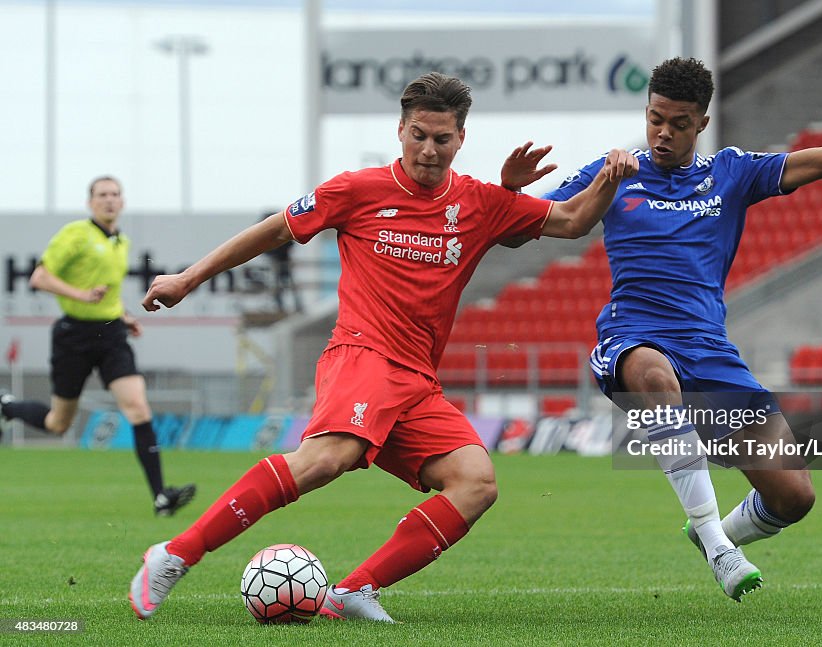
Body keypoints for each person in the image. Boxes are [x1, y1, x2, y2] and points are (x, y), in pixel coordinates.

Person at [128, 72, 638, 621]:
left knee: (476, 483)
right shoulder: (357, 189)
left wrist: (612, 174)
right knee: (329, 458)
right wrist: (189, 277)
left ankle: (354, 590)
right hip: (362, 355)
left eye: (442, 139)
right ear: (401, 130)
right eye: (418, 134)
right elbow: (276, 230)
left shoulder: (479, 202)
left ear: (461, 139)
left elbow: (574, 219)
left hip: (417, 383)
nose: (428, 149)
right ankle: (175, 554)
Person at [502, 51, 822, 600]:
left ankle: (715, 535)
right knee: (652, 375)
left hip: (709, 350)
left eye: (678, 123)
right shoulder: (613, 172)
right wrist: (510, 194)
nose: (662, 133)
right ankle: (717, 542)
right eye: (655, 118)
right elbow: (521, 231)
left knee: (794, 497)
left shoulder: (733, 173)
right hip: (634, 336)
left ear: (702, 123)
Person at [0, 177, 196, 516]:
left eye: (115, 194)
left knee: (138, 407)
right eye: (102, 195)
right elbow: (39, 277)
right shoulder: (76, 234)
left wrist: (124, 316)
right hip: (73, 336)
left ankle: (161, 496)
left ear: (123, 202)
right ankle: (8, 407)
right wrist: (81, 296)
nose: (109, 200)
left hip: (110, 335)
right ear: (90, 202)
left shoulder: (121, 241)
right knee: (57, 424)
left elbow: (109, 294)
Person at [259, 210, 304, 314]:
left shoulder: (280, 227)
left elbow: (291, 243)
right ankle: (281, 305)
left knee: (286, 284)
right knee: (278, 284)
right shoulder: (271, 229)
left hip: (283, 261)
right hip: (277, 261)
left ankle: (293, 305)